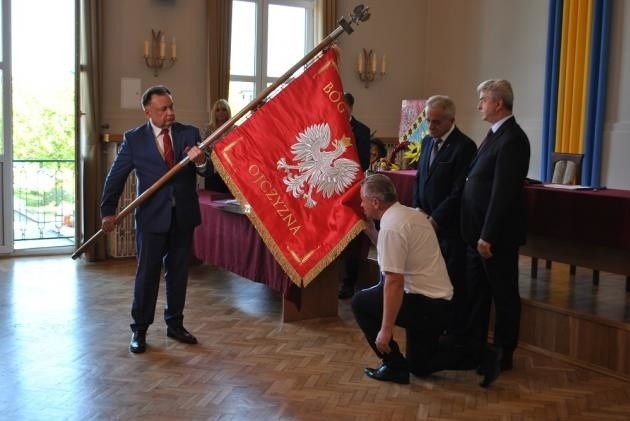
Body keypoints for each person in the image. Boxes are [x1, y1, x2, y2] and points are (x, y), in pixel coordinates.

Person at [101, 85, 210, 354]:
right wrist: (107, 211)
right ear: (147, 111)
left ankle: (175, 324)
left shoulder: (189, 133)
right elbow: (116, 178)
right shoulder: (134, 139)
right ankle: (139, 330)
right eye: (163, 109)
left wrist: (199, 162)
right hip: (151, 218)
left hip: (182, 216)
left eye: (171, 106)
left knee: (178, 274)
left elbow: (208, 172)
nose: (170, 112)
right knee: (147, 275)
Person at [351, 174, 453, 384]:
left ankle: (393, 365)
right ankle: (480, 356)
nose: (361, 204)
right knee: (419, 366)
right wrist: (371, 232)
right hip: (438, 302)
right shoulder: (408, 214)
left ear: (375, 202)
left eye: (363, 199)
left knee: (360, 303)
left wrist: (385, 331)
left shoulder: (391, 227)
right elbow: (394, 255)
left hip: (426, 304)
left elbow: (394, 282)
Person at [460, 79, 531, 378]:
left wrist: (488, 235)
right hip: (477, 234)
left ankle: (503, 352)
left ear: (498, 103)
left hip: (494, 238)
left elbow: (504, 193)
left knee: (503, 295)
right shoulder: (494, 135)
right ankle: (476, 347)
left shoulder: (513, 139)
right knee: (477, 293)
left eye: (483, 99)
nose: (479, 105)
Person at [412, 95, 477, 339]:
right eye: (428, 121)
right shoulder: (428, 141)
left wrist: (435, 219)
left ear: (451, 120)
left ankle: (455, 330)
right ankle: (434, 323)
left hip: (448, 228)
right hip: (425, 222)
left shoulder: (464, 146)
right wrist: (417, 209)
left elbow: (458, 191)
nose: (430, 127)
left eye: (436, 122)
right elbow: (420, 178)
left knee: (452, 279)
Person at [338, 92, 373, 299]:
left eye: (343, 107)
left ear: (350, 107)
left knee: (352, 238)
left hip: (351, 190)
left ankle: (348, 283)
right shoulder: (329, 125)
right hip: (330, 190)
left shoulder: (362, 130)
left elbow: (364, 162)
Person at [202, 99, 231, 193]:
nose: (221, 112)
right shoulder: (208, 129)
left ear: (228, 111)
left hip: (230, 170)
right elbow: (203, 149)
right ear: (214, 113)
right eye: (218, 110)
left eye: (224, 109)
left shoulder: (234, 129)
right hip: (212, 169)